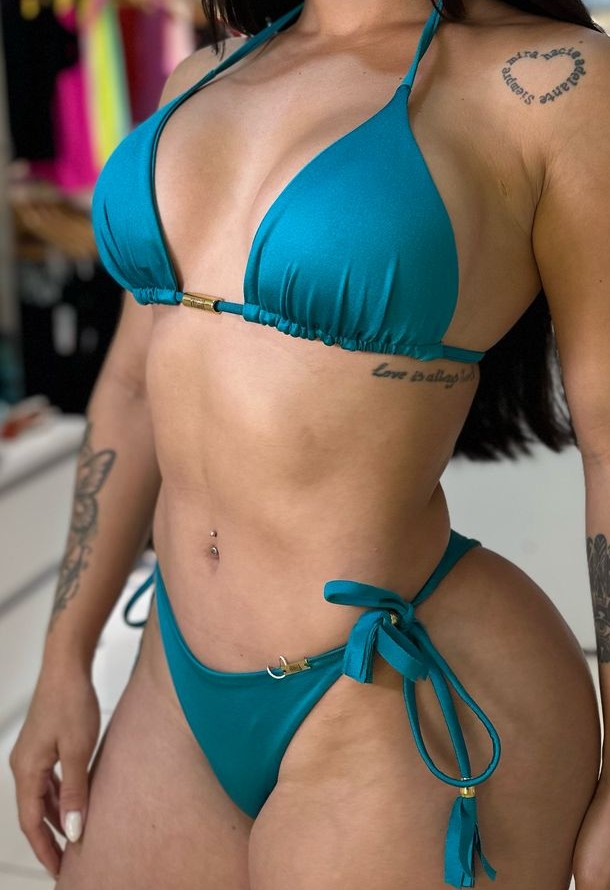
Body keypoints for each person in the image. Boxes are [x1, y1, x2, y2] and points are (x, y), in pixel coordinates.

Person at [9, 0, 610, 886]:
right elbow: (133, 387)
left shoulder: (550, 86)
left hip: (386, 683)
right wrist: (65, 658)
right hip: (174, 676)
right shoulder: (201, 76)